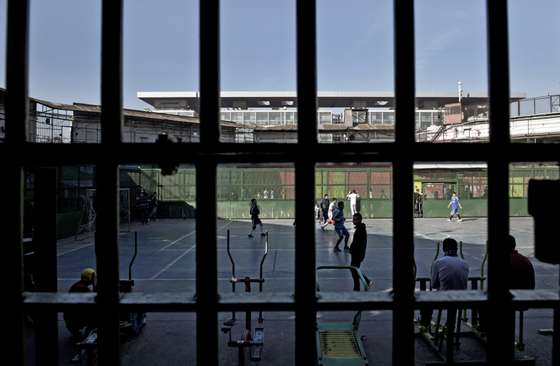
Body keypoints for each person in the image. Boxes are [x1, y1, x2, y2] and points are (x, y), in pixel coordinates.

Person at [64, 268, 97, 343]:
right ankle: (88, 338)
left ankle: (76, 333)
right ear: (89, 278)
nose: (94, 279)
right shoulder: (83, 289)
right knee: (95, 318)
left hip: (70, 317)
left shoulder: (77, 285)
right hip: (74, 318)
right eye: (93, 277)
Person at [349, 213, 372, 290]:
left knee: (354, 269)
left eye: (355, 219)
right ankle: (363, 282)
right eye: (353, 219)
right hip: (357, 253)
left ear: (359, 220)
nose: (353, 221)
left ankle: (358, 286)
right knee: (354, 269)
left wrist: (352, 249)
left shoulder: (360, 230)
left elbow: (359, 243)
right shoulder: (360, 228)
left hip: (357, 254)